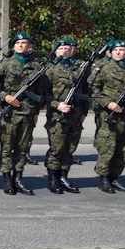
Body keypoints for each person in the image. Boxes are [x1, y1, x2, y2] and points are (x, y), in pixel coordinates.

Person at [0, 32, 48, 196]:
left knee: (22, 148)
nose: (20, 45)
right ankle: (7, 179)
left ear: (29, 46)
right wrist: (6, 97)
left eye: (24, 42)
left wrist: (36, 110)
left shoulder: (37, 67)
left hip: (27, 113)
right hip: (10, 113)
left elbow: (42, 91)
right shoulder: (6, 64)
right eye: (18, 43)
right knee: (7, 148)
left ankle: (18, 178)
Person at [90, 39, 125, 193]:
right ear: (111, 52)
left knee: (122, 148)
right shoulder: (103, 68)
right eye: (115, 50)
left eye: (122, 50)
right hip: (110, 114)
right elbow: (93, 91)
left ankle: (115, 177)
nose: (119, 52)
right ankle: (104, 179)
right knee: (108, 147)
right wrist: (108, 103)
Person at [43, 38, 85, 194]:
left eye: (67, 48)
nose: (64, 51)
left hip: (75, 115)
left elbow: (84, 93)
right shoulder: (50, 70)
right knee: (57, 148)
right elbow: (43, 94)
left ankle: (63, 176)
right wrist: (57, 105)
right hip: (57, 116)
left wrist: (84, 112)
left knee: (70, 148)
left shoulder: (78, 70)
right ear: (55, 51)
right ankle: (53, 178)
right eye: (61, 48)